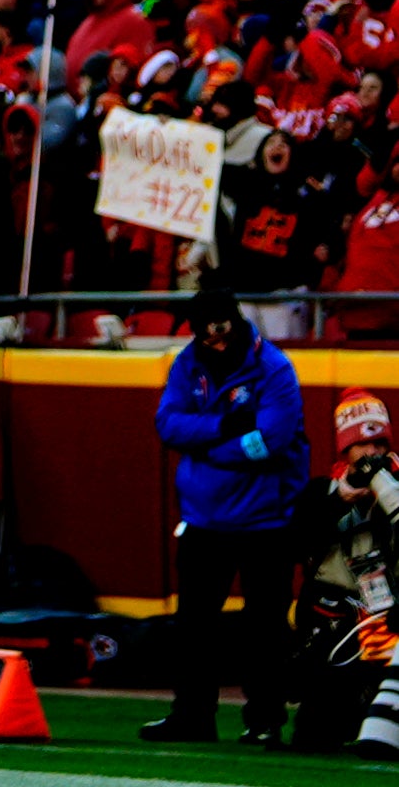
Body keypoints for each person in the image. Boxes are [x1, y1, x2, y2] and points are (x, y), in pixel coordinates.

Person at [144, 290, 310, 744]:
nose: (216, 343)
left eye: (222, 333)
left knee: (267, 626)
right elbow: (167, 424)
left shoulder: (275, 368)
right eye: (207, 335)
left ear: (235, 324)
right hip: (204, 518)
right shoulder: (187, 363)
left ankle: (265, 719)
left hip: (265, 520)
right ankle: (192, 716)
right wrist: (222, 427)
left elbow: (270, 441)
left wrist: (204, 446)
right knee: (194, 624)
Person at [290, 391, 399, 755]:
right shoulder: (321, 493)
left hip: (390, 622)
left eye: (379, 442)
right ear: (345, 451)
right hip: (338, 625)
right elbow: (290, 545)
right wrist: (340, 501)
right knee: (314, 736)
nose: (373, 453)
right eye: (362, 444)